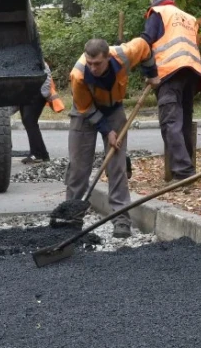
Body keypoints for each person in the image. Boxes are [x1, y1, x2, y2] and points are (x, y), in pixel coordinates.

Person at [66, 37, 158, 238]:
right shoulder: (79, 74)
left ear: (107, 57)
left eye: (97, 63)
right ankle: (71, 219)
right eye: (90, 63)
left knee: (116, 166)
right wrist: (107, 131)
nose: (93, 68)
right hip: (84, 113)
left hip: (114, 109)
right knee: (79, 168)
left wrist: (151, 74)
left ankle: (121, 219)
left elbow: (145, 47)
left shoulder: (124, 54)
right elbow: (85, 108)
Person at [141, 0, 201, 181]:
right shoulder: (188, 17)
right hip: (191, 72)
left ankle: (183, 172)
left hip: (169, 72)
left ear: (154, 2)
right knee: (183, 121)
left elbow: (146, 43)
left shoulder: (158, 12)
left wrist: (149, 73)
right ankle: (188, 168)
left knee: (170, 122)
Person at [20, 61, 65, 164]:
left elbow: (46, 74)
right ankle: (42, 154)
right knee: (28, 121)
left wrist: (43, 92)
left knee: (29, 121)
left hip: (36, 94)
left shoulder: (35, 57)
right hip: (25, 95)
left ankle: (37, 154)